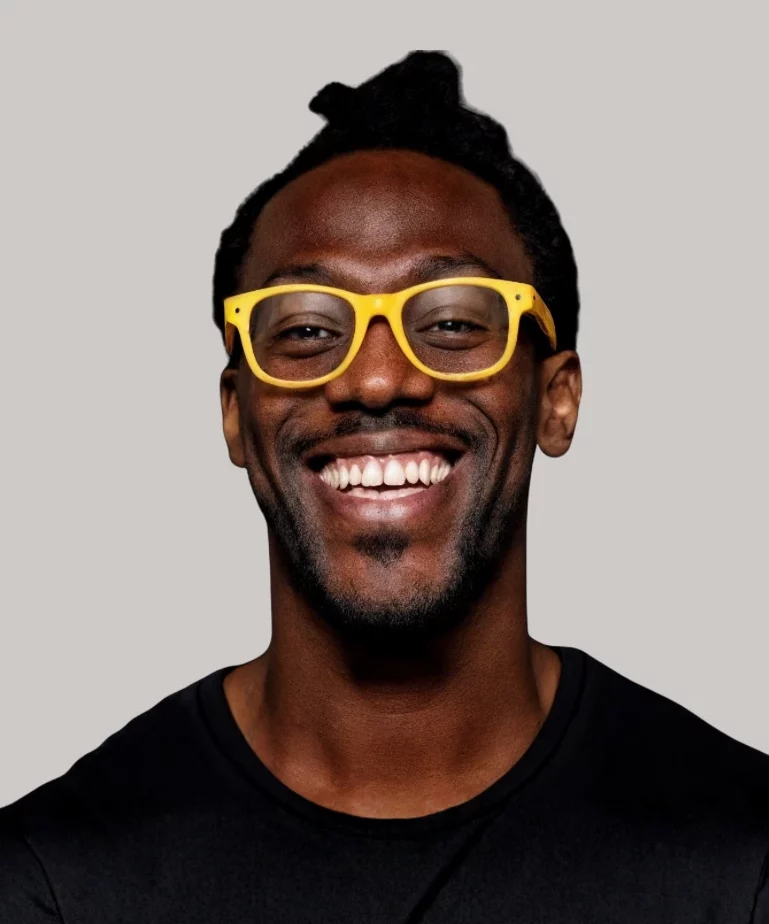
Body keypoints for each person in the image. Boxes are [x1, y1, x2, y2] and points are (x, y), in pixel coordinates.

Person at [1, 50, 767, 924]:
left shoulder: (739, 858)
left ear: (555, 400)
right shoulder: (56, 880)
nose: (374, 378)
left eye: (450, 321)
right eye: (305, 329)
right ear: (235, 415)